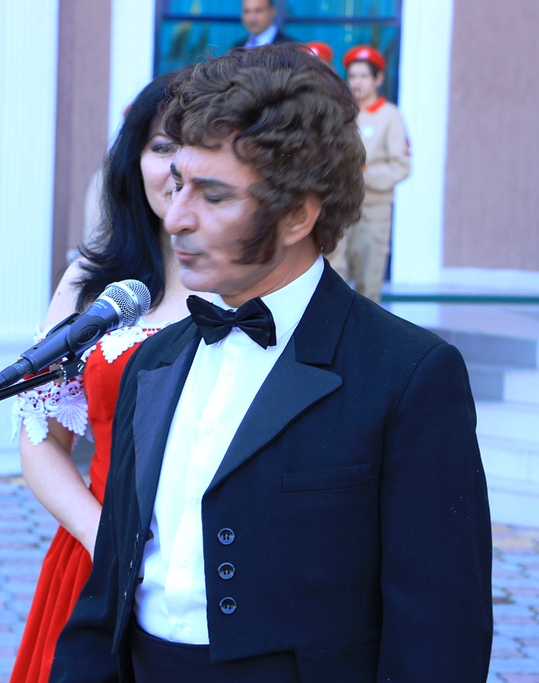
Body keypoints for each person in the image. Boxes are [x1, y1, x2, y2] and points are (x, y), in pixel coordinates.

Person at [52, 44, 492, 682]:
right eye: (177, 184)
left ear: (297, 215)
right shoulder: (152, 360)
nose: (176, 218)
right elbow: (109, 599)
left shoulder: (410, 374)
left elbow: (439, 635)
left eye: (213, 196)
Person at [9, 70, 202, 683]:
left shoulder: (253, 287)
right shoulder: (90, 282)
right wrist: (109, 543)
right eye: (162, 146)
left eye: (199, 146)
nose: (179, 167)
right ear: (133, 160)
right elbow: (41, 438)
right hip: (99, 551)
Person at [327, 44, 411, 303]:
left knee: (368, 285)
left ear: (378, 79)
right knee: (334, 278)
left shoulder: (390, 116)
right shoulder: (340, 113)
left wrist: (362, 173)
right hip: (340, 209)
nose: (357, 82)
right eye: (352, 76)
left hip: (373, 212)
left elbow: (401, 166)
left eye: (364, 76)